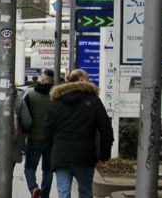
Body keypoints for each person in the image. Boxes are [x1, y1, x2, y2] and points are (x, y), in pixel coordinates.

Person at [44, 68, 114, 198]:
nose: (90, 81)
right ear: (81, 80)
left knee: (63, 193)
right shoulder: (93, 101)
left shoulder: (56, 102)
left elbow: (47, 129)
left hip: (61, 154)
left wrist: (50, 153)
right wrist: (104, 156)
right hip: (84, 155)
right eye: (88, 79)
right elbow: (106, 130)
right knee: (85, 191)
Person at [23, 69, 55, 198]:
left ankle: (34, 188)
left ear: (41, 80)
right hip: (51, 139)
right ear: (52, 81)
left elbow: (24, 117)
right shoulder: (56, 95)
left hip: (33, 138)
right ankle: (45, 195)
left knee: (29, 167)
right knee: (48, 169)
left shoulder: (30, 94)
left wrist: (25, 131)